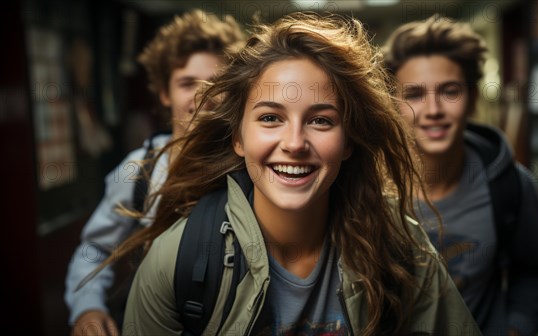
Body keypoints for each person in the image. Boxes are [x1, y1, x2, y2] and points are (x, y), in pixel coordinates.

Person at [111, 12, 481, 336]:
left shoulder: (402, 248)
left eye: (321, 120)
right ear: (238, 137)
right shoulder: (177, 260)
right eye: (270, 118)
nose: (295, 142)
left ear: (349, 141)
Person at [64, 10, 245, 336]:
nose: (202, 95)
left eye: (216, 82)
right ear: (164, 93)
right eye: (187, 83)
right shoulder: (139, 170)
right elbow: (94, 250)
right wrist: (87, 307)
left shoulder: (254, 164)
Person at [383, 15, 538, 336]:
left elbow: (534, 275)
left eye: (450, 91)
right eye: (414, 94)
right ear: (392, 104)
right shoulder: (364, 188)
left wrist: (515, 330)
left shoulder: (509, 185)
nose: (433, 109)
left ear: (473, 98)